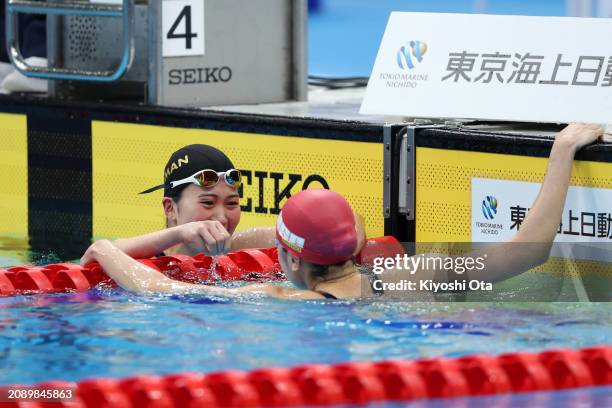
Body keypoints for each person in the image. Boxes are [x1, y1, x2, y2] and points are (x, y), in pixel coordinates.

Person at [80, 123, 604, 300]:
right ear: (355, 244)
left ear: (284, 257)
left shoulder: (279, 299)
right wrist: (561, 152)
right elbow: (526, 252)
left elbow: (161, 291)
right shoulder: (408, 274)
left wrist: (105, 248)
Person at [117, 144, 366, 258]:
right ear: (170, 208)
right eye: (207, 203)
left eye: (231, 203)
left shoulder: (242, 246)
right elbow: (96, 255)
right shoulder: (142, 260)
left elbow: (353, 221)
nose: (222, 217)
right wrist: (181, 234)